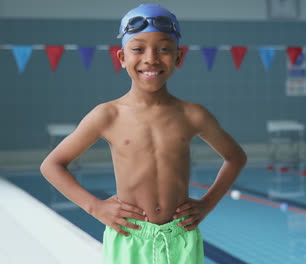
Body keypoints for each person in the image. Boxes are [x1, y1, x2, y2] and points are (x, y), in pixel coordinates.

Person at [40, 4, 247, 264]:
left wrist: (207, 204)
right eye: (138, 49)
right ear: (122, 58)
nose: (151, 58)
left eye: (164, 49)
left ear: (179, 57)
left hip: (181, 235)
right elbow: (52, 165)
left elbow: (235, 157)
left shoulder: (192, 115)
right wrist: (97, 207)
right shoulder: (108, 115)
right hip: (129, 236)